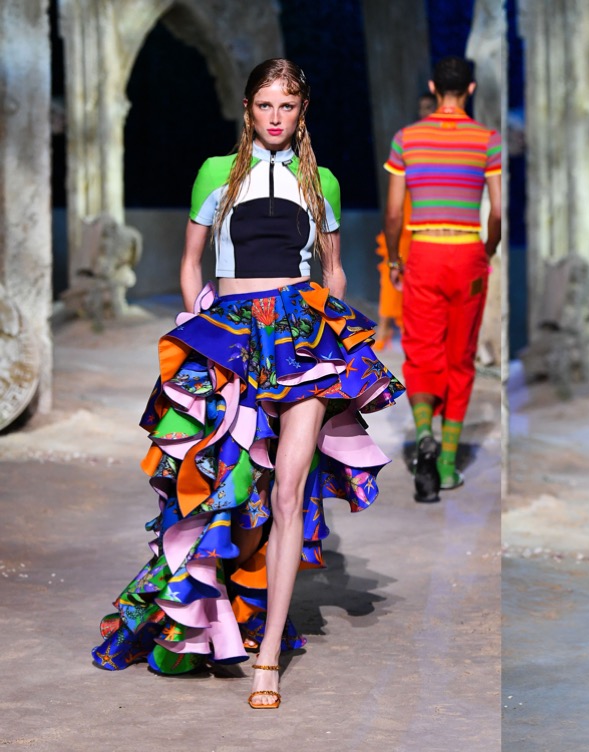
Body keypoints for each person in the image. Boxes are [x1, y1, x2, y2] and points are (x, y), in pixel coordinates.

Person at [90, 59, 404, 710]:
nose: (275, 117)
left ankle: (267, 658)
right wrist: (197, 329)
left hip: (301, 340)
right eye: (265, 104)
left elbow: (334, 270)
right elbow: (190, 262)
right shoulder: (217, 173)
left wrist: (332, 328)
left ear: (302, 111)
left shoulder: (322, 181)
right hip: (231, 337)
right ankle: (199, 611)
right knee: (223, 488)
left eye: (286, 106)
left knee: (289, 490)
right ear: (247, 108)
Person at [384, 56, 503, 501]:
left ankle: (423, 434)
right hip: (467, 253)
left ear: (433, 88)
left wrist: (395, 259)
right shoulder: (487, 140)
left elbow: (394, 213)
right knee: (460, 356)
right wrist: (486, 251)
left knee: (421, 351)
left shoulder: (407, 139)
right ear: (471, 89)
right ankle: (448, 465)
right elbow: (497, 212)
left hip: (425, 251)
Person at [372, 93, 439, 352]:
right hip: (408, 209)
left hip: (433, 212)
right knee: (393, 265)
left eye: (430, 107)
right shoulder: (410, 139)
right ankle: (385, 324)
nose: (425, 112)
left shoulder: (446, 140)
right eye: (422, 108)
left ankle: (416, 329)